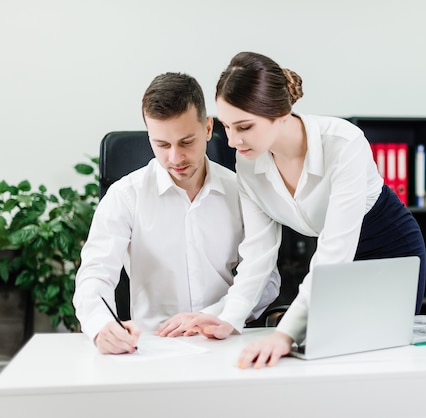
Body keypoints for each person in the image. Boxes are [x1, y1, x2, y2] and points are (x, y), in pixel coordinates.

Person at [211, 51, 426, 368]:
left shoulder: (343, 143)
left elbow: (334, 251)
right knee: (324, 360)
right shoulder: (248, 162)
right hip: (328, 262)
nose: (232, 141)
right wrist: (230, 319)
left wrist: (282, 335)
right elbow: (258, 252)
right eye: (226, 127)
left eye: (244, 127)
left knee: (382, 359)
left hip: (387, 253)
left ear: (280, 114)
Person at [73, 72, 280, 354]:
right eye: (162, 145)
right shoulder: (125, 196)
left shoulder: (242, 192)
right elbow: (94, 275)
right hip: (151, 347)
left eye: (186, 142)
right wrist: (101, 326)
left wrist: (218, 314)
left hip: (226, 342)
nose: (175, 158)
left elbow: (267, 280)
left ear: (208, 129)